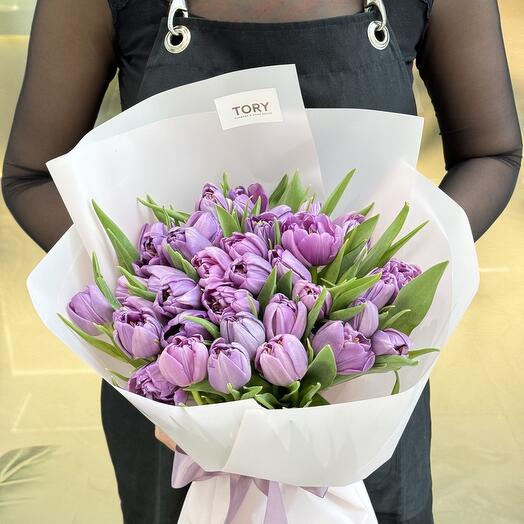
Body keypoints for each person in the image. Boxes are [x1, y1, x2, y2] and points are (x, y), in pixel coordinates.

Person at [2, 1, 521, 523]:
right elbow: (29, 174)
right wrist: (162, 318)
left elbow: (491, 150)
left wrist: (375, 295)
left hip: (362, 385)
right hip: (172, 394)